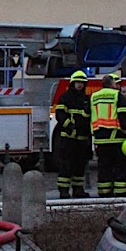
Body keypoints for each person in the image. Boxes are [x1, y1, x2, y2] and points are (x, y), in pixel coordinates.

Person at [90, 74, 126, 199]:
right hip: (116, 137)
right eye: (117, 83)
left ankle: (104, 191)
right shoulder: (117, 96)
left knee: (104, 166)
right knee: (121, 165)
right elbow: (124, 117)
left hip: (100, 139)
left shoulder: (94, 96)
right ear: (112, 84)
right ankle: (121, 190)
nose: (118, 86)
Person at [53, 71, 92, 199]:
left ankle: (78, 189)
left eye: (82, 83)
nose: (80, 85)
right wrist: (70, 125)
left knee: (80, 166)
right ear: (72, 83)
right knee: (66, 166)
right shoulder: (65, 97)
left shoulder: (87, 100)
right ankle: (64, 191)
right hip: (68, 139)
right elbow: (60, 115)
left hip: (82, 139)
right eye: (77, 82)